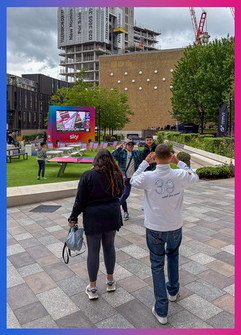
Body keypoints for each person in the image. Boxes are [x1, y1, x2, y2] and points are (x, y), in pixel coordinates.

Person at [130, 144, 199, 325]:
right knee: (174, 256)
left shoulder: (148, 176)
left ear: (155, 156)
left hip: (154, 227)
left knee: (157, 265)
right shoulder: (179, 175)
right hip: (174, 226)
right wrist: (179, 163)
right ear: (170, 156)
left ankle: (161, 310)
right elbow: (195, 177)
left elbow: (133, 180)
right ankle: (173, 291)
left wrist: (144, 163)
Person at [68, 149, 125, 300]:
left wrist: (73, 217)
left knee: (93, 251)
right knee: (109, 247)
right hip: (111, 214)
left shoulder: (88, 175)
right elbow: (121, 193)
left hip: (94, 217)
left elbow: (80, 200)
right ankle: (110, 282)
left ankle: (93, 288)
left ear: (96, 160)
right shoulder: (117, 175)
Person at [112, 139, 143, 221]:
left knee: (126, 194)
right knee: (121, 194)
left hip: (131, 178)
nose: (130, 146)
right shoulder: (121, 153)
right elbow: (113, 155)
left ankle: (116, 207)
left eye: (131, 145)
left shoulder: (135, 153)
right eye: (128, 145)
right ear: (126, 146)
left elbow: (143, 154)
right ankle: (125, 212)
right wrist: (119, 148)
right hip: (121, 177)